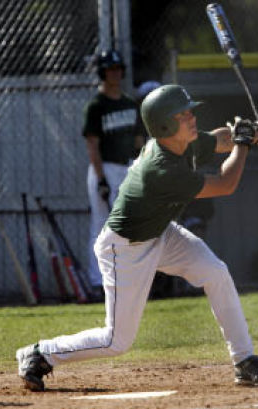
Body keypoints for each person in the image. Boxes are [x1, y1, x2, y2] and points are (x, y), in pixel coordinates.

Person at [16, 84, 258, 391]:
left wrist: (246, 133)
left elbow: (220, 139)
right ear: (165, 125)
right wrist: (244, 144)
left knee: (215, 272)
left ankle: (244, 361)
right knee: (117, 341)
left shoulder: (179, 143)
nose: (192, 117)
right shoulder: (162, 169)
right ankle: (38, 354)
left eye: (190, 111)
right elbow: (225, 183)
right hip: (124, 248)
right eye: (183, 115)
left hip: (160, 232)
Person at [82, 49, 144, 298]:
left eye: (118, 69)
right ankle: (97, 281)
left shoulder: (130, 104)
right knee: (101, 225)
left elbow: (139, 140)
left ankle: (126, 280)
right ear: (102, 73)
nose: (115, 74)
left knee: (128, 226)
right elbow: (92, 145)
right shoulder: (96, 106)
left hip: (128, 167)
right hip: (105, 167)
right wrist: (101, 179)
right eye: (110, 70)